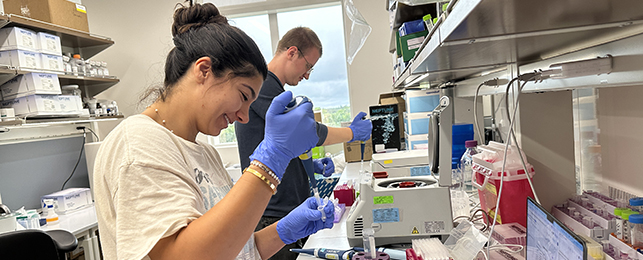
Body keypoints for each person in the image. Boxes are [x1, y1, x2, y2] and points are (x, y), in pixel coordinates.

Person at [92, 3, 334, 260]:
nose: (243, 116)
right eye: (243, 95)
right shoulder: (138, 143)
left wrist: (284, 231)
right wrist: (269, 163)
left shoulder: (205, 153)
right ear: (204, 70)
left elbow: (233, 249)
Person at [235, 27, 373, 260]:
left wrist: (310, 164)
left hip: (282, 209)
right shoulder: (264, 87)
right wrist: (351, 133)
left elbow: (278, 147)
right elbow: (306, 132)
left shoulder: (274, 90)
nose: (308, 74)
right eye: (308, 66)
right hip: (272, 214)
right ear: (291, 53)